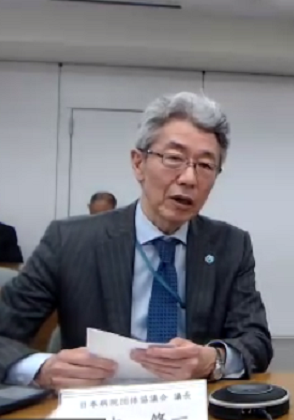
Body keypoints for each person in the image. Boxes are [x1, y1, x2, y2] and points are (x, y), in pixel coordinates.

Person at [0, 92, 272, 389]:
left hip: (193, 401)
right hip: (98, 401)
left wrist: (213, 360)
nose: (189, 178)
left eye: (205, 165)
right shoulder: (69, 241)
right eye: (174, 158)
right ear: (138, 163)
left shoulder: (230, 246)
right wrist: (42, 369)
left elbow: (255, 340)